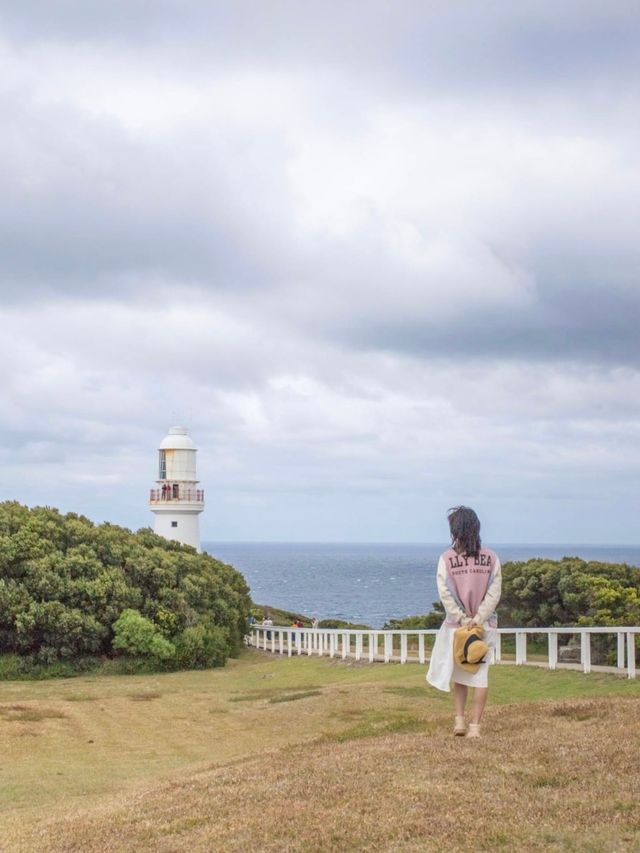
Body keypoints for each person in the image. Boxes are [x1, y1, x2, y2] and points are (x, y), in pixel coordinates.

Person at [426, 506, 502, 738]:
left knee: (460, 674)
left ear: (454, 530)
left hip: (457, 628)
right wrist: (478, 619)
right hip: (483, 627)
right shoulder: (491, 557)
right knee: (480, 676)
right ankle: (475, 727)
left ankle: (459, 721)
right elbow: (494, 592)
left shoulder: (446, 559)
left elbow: (445, 592)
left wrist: (462, 618)